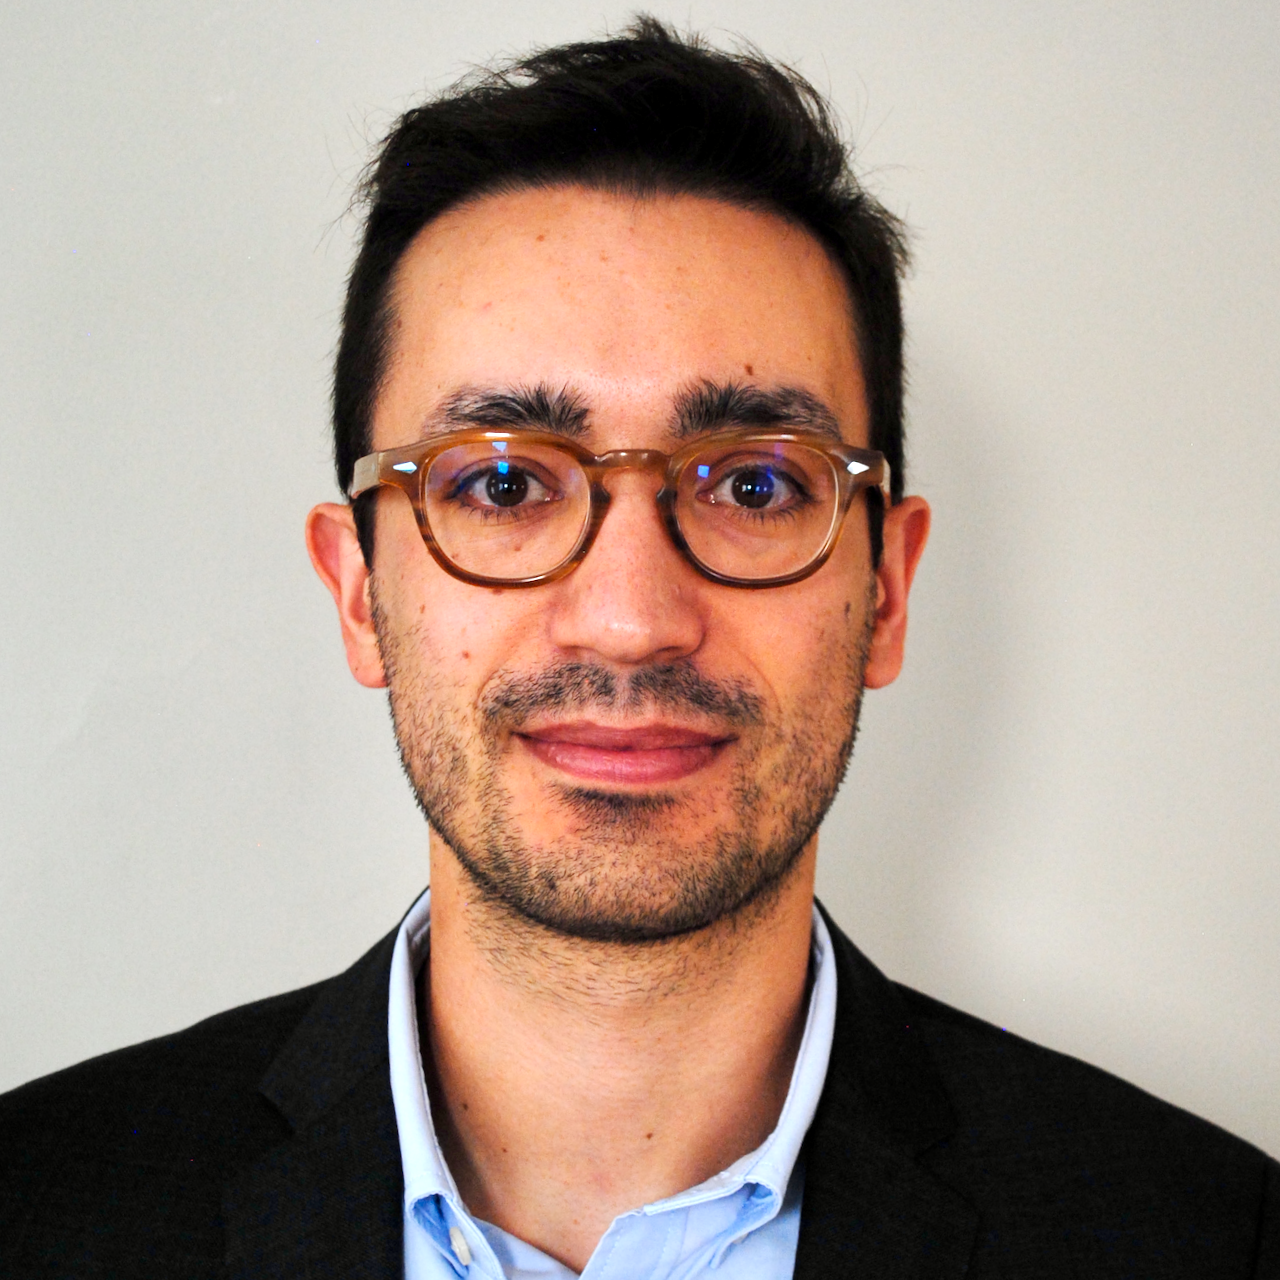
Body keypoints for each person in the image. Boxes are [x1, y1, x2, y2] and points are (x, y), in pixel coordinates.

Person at [1, 17, 1276, 1280]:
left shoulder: (1209, 1241)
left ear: (885, 589)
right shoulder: (35, 1211)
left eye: (755, 485)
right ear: (358, 592)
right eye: (502, 483)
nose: (628, 615)